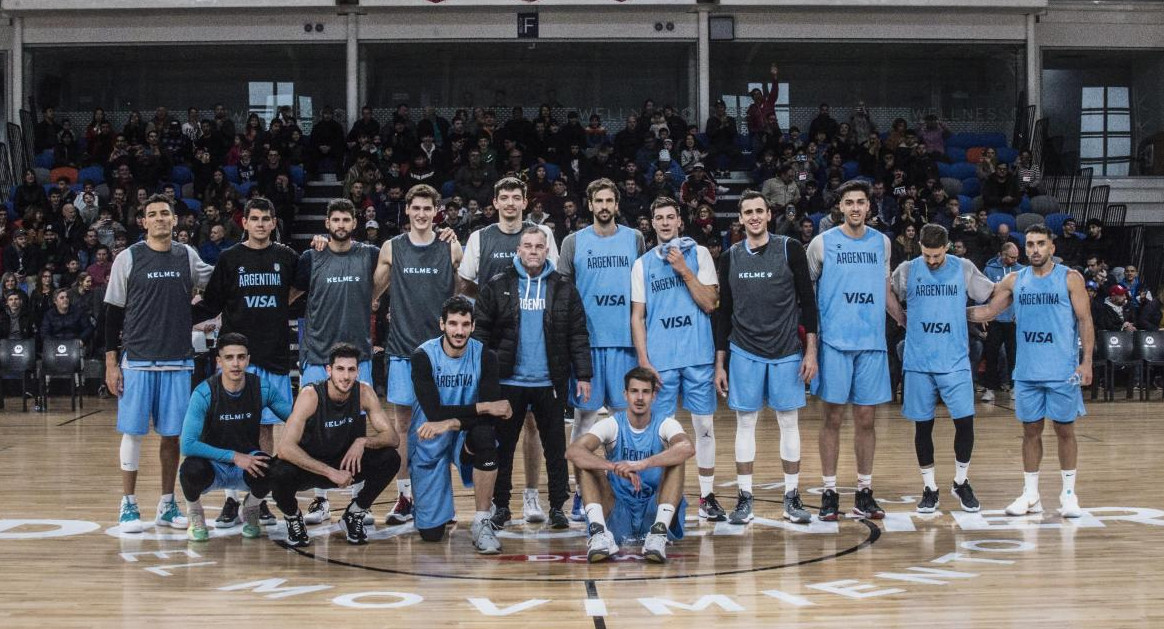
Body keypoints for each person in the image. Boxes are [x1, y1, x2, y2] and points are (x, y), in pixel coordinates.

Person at [104, 194, 214, 533]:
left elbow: (218, 286)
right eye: (152, 214)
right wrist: (111, 363)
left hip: (178, 360)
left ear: (175, 219)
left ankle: (167, 505)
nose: (160, 219)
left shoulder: (188, 256)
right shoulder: (128, 257)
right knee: (134, 434)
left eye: (165, 213)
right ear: (144, 222)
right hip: (136, 359)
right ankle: (128, 505)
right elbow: (111, 313)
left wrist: (195, 314)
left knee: (172, 437)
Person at [969, 224, 1094, 519]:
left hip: (1062, 369)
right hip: (1027, 370)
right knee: (1030, 432)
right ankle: (1031, 495)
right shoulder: (1015, 280)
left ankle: (1068, 495)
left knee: (1065, 430)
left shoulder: (1070, 279)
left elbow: (1086, 320)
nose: (1035, 249)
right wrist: (945, 311)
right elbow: (987, 312)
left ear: (1052, 247)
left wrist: (1086, 362)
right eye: (1030, 244)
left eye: (1040, 243)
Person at [474, 226, 592, 530]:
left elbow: (578, 334)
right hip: (508, 382)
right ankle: (502, 507)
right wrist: (484, 378)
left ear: (546, 250)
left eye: (539, 246)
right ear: (518, 250)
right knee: (504, 448)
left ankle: (557, 507)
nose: (533, 251)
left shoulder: (563, 287)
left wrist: (583, 374)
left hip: (549, 381)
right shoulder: (498, 284)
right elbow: (481, 334)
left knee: (555, 448)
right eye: (527, 246)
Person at [457, 176, 559, 522]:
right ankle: (501, 502)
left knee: (533, 426)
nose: (511, 202)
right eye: (505, 197)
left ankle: (532, 496)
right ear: (495, 202)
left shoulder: (543, 236)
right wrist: (490, 311)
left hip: (536, 347)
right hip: (496, 349)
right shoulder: (479, 237)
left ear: (525, 201)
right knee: (502, 427)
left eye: (517, 197)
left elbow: (556, 284)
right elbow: (465, 284)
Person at [196, 197, 300, 530]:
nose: (259, 224)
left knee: (266, 429)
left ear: (273, 223)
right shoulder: (229, 258)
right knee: (231, 426)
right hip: (237, 356)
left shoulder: (287, 257)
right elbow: (211, 301)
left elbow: (302, 287)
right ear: (244, 222)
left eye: (265, 219)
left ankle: (259, 498)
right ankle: (230, 498)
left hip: (274, 353)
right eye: (253, 218)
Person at [714, 191, 818, 525]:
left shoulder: (790, 248)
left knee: (789, 422)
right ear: (740, 219)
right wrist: (720, 362)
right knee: (746, 423)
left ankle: (792, 496)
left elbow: (808, 303)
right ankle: (745, 498)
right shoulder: (730, 257)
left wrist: (811, 351)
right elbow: (724, 312)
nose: (755, 216)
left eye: (760, 210)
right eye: (748, 212)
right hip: (744, 351)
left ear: (769, 215)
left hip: (787, 351)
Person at [806, 179, 905, 521]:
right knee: (832, 417)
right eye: (849, 203)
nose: (855, 208)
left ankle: (864, 490)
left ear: (869, 207)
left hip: (871, 342)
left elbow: (885, 288)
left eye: (861, 202)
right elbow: (808, 299)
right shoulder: (821, 244)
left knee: (866, 419)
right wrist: (811, 344)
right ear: (840, 208)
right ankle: (830, 491)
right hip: (834, 342)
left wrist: (905, 320)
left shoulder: (882, 243)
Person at [556, 178, 647, 520]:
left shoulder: (634, 238)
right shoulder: (573, 242)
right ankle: (583, 493)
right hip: (588, 347)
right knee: (584, 423)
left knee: (627, 426)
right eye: (599, 201)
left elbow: (643, 288)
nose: (605, 206)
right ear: (590, 205)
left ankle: (624, 491)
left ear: (616, 205)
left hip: (624, 344)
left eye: (610, 200)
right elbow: (562, 294)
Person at [372, 184, 462, 526]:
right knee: (405, 428)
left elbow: (464, 289)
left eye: (428, 208)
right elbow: (372, 294)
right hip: (401, 351)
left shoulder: (450, 247)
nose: (422, 214)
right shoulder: (392, 248)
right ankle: (405, 496)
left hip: (442, 354)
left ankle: (440, 500)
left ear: (435, 212)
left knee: (441, 427)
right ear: (407, 212)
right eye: (416, 208)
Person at [891, 224, 995, 513]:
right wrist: (902, 319)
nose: (932, 261)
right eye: (927, 255)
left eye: (936, 255)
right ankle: (929, 487)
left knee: (965, 422)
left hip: (955, 358)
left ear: (947, 247)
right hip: (920, 360)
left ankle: (961, 482)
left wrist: (981, 314)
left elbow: (992, 294)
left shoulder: (963, 267)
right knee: (923, 426)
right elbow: (886, 292)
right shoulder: (909, 269)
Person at [630, 197, 722, 520]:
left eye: (671, 217)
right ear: (652, 223)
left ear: (680, 221)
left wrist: (684, 270)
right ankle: (662, 498)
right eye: (659, 218)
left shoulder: (698, 254)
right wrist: (644, 361)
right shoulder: (642, 264)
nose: (666, 222)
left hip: (698, 354)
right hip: (662, 360)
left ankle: (707, 497)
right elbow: (637, 317)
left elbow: (711, 302)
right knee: (662, 432)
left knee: (704, 427)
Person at [258, 343, 402, 547]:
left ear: (358, 371)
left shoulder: (364, 392)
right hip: (311, 466)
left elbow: (392, 438)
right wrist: (329, 472)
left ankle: (355, 513)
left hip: (345, 463)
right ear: (329, 370)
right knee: (278, 473)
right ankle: (293, 518)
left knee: (390, 458)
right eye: (340, 369)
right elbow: (285, 448)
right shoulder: (311, 395)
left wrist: (363, 441)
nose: (346, 376)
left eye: (351, 370)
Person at [292, 198, 380, 524]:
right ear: (327, 224)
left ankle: (358, 500)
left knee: (357, 429)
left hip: (358, 357)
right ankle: (320, 500)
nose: (341, 225)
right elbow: (290, 295)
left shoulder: (370, 255)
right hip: (317, 354)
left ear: (354, 223)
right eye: (336, 220)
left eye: (346, 219)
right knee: (314, 432)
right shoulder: (311, 256)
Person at [407, 296, 512, 552]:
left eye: (465, 324)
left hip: (465, 436)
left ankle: (482, 521)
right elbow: (434, 411)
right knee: (431, 535)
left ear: (473, 326)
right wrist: (484, 406)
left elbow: (489, 419)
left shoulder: (485, 356)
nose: (459, 331)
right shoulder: (422, 356)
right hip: (429, 436)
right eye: (453, 324)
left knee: (486, 437)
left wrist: (452, 422)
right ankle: (429, 506)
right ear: (442, 324)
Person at [566, 367, 695, 564]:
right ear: (625, 395)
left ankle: (658, 534)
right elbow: (573, 452)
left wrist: (642, 464)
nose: (640, 397)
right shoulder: (612, 424)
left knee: (677, 458)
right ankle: (600, 534)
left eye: (645, 392)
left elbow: (687, 447)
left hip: (653, 507)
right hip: (618, 509)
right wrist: (613, 466)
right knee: (584, 462)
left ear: (654, 395)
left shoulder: (665, 424)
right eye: (634, 391)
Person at [178, 333, 293, 541]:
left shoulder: (261, 387)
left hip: (247, 464)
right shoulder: (204, 392)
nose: (236, 363)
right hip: (213, 465)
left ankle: (250, 508)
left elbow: (295, 419)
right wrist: (234, 456)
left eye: (241, 357)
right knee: (189, 469)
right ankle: (195, 513)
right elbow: (186, 445)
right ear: (219, 361)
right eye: (229, 357)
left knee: (274, 468)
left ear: (248, 359)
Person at [980, 242, 1023, 402]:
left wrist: (1021, 314)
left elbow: (1024, 295)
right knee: (991, 355)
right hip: (995, 319)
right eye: (1012, 257)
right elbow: (983, 293)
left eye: (1017, 256)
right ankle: (989, 389)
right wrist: (984, 314)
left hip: (1013, 321)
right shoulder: (990, 269)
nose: (1015, 259)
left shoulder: (1021, 271)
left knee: (1014, 355)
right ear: (1002, 255)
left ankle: (1014, 387)